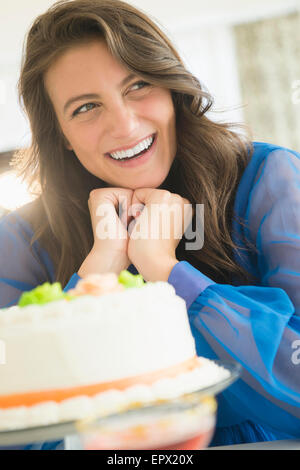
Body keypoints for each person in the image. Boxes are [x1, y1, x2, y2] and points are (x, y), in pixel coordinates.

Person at [0, 0, 299, 450]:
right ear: (59, 131)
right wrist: (99, 274)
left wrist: (166, 270)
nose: (124, 125)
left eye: (138, 85)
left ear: (171, 84)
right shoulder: (21, 240)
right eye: (85, 108)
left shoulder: (271, 180)